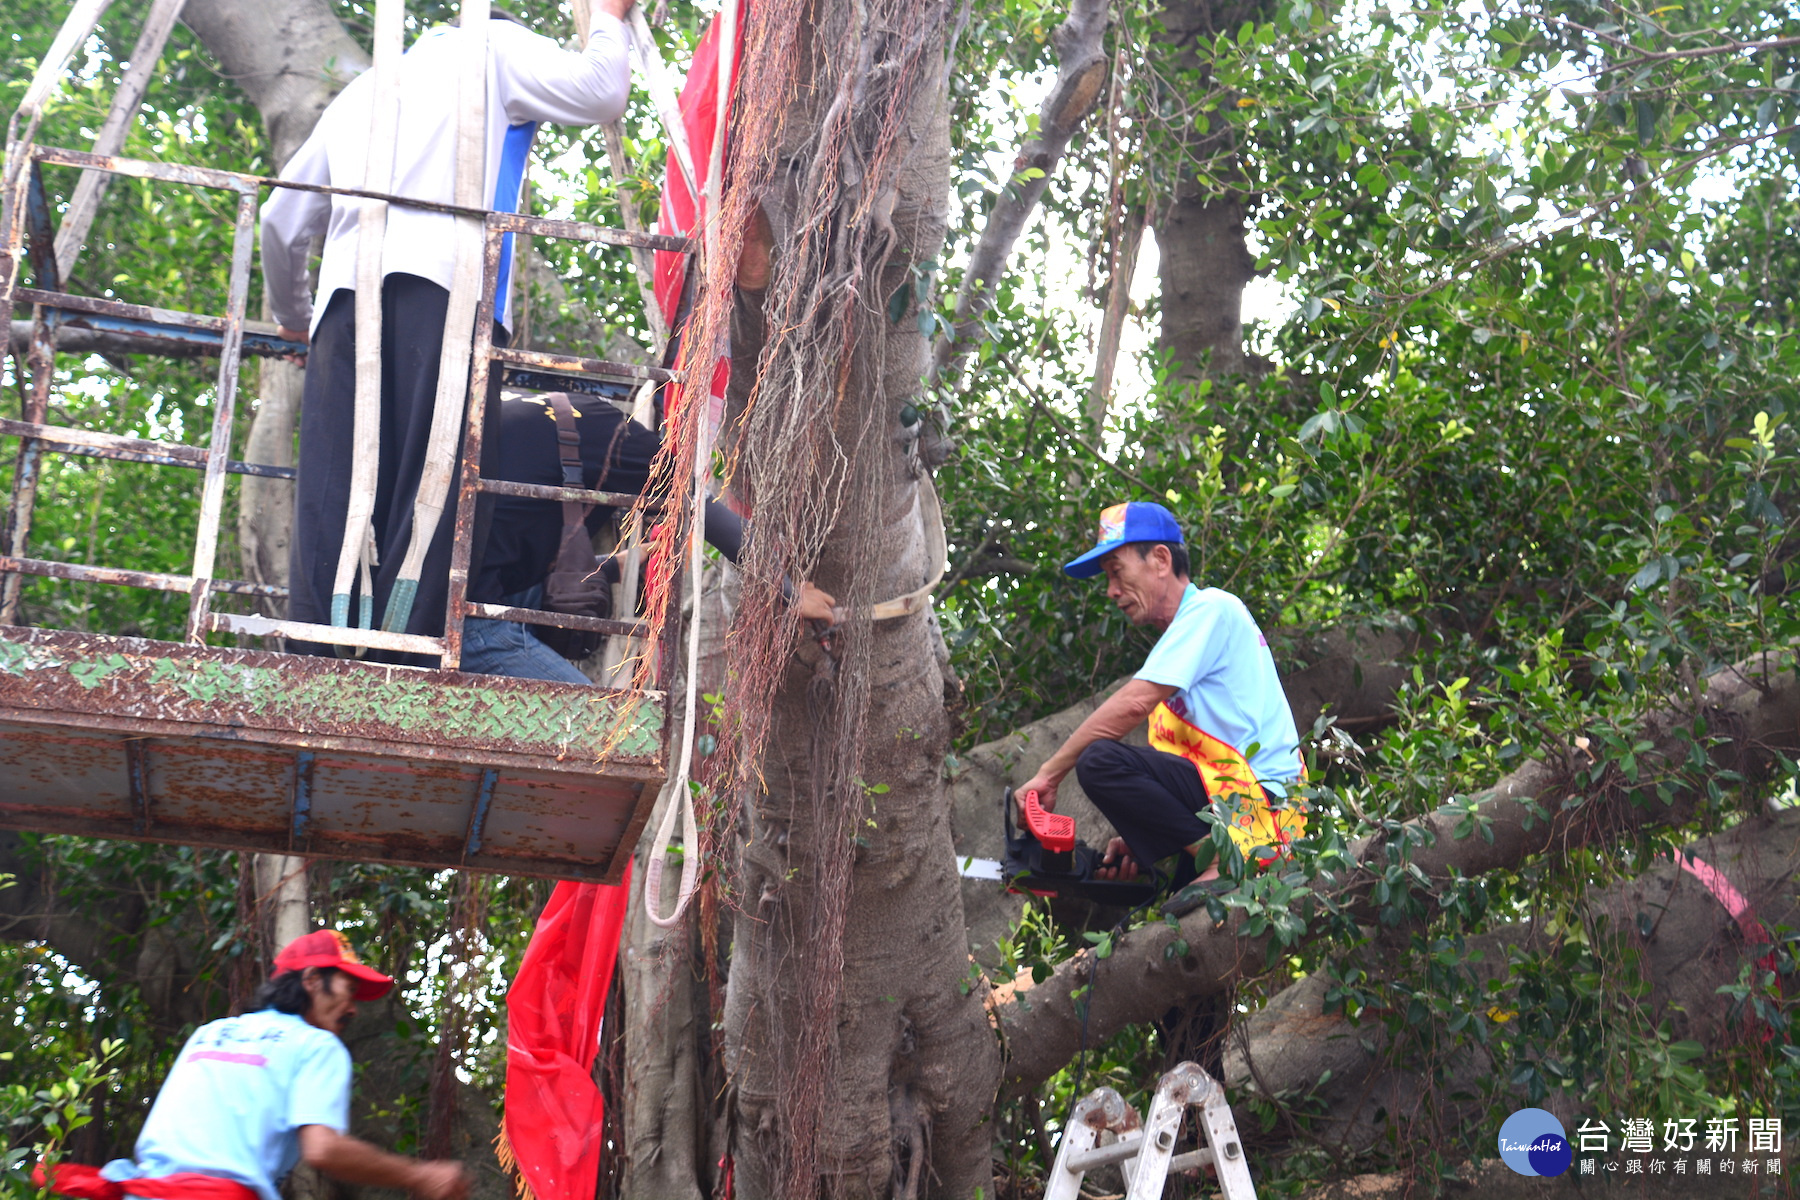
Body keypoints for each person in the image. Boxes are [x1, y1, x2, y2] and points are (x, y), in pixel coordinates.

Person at [260, 2, 637, 658]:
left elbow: (280, 220)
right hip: (446, 294)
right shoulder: (492, 48)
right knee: (434, 495)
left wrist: (296, 321)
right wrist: (606, 18)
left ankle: (313, 664)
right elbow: (602, 92)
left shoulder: (365, 89)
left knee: (334, 496)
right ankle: (405, 664)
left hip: (343, 309)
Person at [1016, 501, 1305, 907]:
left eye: (1117, 572)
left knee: (1098, 761)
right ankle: (1219, 862)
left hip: (1262, 805)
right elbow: (1181, 776)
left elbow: (1133, 704)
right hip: (1235, 809)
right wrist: (1142, 836)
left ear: (1161, 559)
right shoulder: (1181, 650)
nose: (1111, 591)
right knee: (1153, 903)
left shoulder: (1210, 610)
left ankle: (1229, 862)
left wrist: (1048, 775)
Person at [36, 930, 467, 1200]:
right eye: (348, 989)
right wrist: (420, 1175)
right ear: (312, 981)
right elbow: (323, 1150)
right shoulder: (317, 1045)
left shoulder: (210, 1033)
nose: (353, 1007)